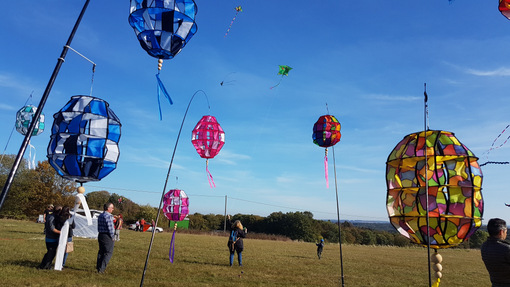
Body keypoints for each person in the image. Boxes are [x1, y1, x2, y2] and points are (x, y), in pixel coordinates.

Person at [481, 218, 510, 286]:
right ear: (501, 232)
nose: (506, 234)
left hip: (495, 283)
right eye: (506, 231)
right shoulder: (506, 249)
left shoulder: (484, 246)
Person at [96, 202, 115, 273]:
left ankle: (98, 267)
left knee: (101, 251)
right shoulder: (108, 216)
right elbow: (110, 228)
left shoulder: (100, 215)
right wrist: (113, 237)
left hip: (101, 234)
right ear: (108, 208)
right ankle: (102, 269)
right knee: (108, 252)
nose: (113, 209)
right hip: (107, 236)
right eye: (112, 208)